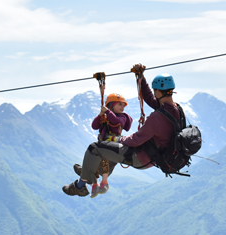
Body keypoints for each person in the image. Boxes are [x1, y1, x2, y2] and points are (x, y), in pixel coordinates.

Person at [63, 63, 181, 197]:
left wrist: (118, 139)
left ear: (158, 92)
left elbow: (136, 140)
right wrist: (141, 78)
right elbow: (149, 98)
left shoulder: (157, 117)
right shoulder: (175, 110)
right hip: (154, 156)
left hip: (141, 156)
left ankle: (80, 186)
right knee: (109, 151)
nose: (154, 95)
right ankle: (90, 172)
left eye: (155, 92)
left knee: (94, 148)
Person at [81, 93, 133, 198]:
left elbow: (117, 121)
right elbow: (94, 126)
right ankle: (95, 185)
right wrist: (101, 114)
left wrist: (107, 112)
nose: (123, 107)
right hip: (104, 144)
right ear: (112, 104)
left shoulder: (123, 117)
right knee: (96, 160)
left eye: (123, 105)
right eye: (120, 105)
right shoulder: (105, 116)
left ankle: (104, 182)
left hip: (113, 145)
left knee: (105, 161)